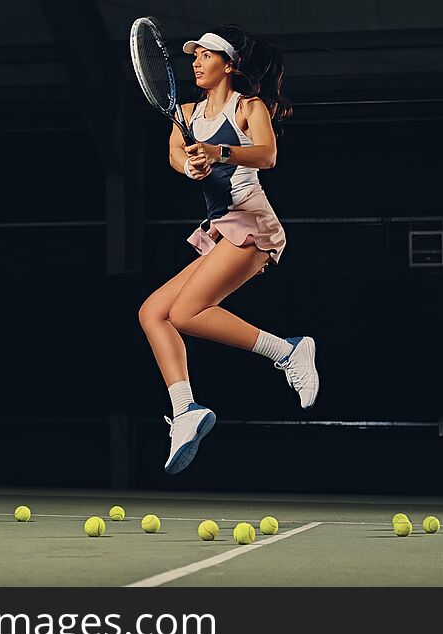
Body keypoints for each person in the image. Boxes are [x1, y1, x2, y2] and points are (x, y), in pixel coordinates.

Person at [137, 24, 319, 475]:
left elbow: (266, 154)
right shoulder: (184, 111)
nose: (196, 62)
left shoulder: (248, 107)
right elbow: (176, 155)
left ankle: (289, 351)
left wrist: (217, 153)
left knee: (186, 314)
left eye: (205, 55)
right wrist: (191, 167)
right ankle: (186, 410)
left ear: (229, 64)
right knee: (152, 313)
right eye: (193, 56)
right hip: (221, 227)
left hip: (252, 222)